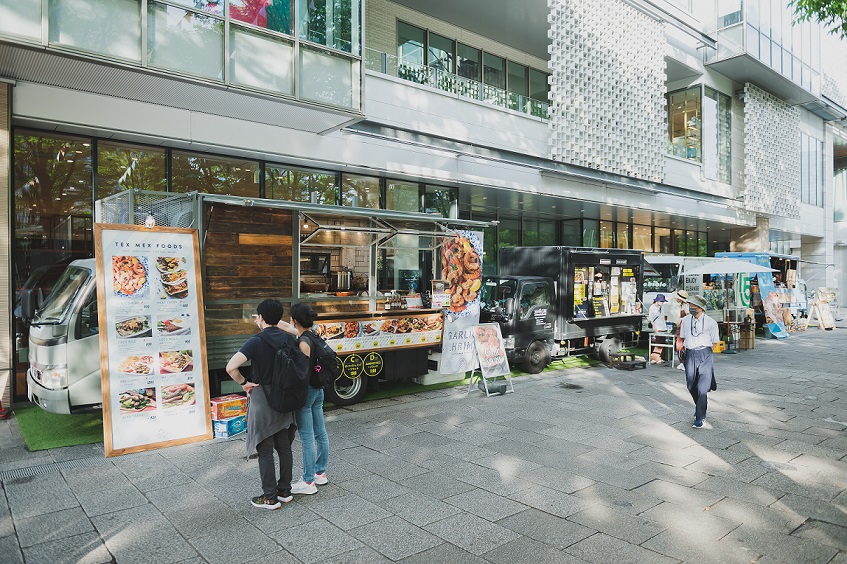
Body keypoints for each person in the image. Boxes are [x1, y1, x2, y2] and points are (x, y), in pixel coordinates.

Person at [226, 299, 309, 510]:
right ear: (279, 318)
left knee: (265, 448)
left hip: (263, 397)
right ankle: (285, 491)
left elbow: (231, 367)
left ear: (261, 318)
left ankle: (270, 497)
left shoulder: (256, 341)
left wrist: (244, 383)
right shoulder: (289, 340)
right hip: (285, 397)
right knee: (284, 445)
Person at [287, 303, 330, 496]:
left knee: (306, 436)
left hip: (308, 391)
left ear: (295, 320)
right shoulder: (313, 334)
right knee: (320, 433)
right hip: (319, 389)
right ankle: (320, 472)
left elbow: (302, 372)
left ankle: (308, 480)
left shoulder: (303, 341)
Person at [676, 294, 720, 428]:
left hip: (705, 353)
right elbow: (682, 338)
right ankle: (699, 406)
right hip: (690, 354)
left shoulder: (711, 322)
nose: (691, 308)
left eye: (694, 306)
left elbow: (715, 341)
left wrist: (705, 353)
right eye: (690, 306)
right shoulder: (685, 320)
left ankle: (700, 417)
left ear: (700, 308)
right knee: (691, 384)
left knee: (702, 387)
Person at [668, 290, 690, 370]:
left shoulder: (685, 306)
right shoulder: (680, 305)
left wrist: (681, 319)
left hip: (683, 327)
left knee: (681, 345)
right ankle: (682, 362)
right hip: (680, 327)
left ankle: (684, 362)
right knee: (679, 345)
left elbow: (688, 316)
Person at [647, 294, 668, 364]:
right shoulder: (652, 308)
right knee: (658, 343)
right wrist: (655, 328)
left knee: (662, 343)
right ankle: (654, 357)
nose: (662, 303)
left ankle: (657, 357)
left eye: (663, 301)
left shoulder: (662, 307)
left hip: (663, 326)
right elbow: (651, 319)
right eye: (661, 301)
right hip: (657, 327)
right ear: (657, 301)